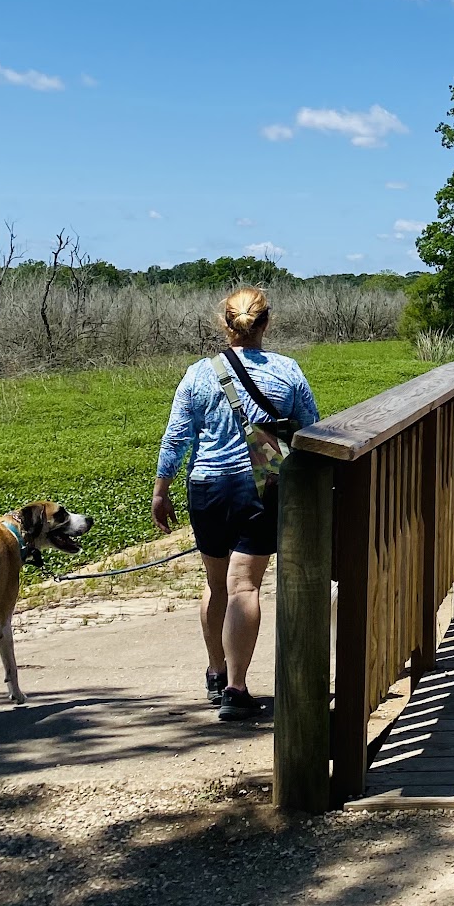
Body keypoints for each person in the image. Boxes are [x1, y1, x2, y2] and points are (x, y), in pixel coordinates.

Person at [152, 286, 318, 722]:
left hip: (206, 487)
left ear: (225, 324)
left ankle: (215, 670)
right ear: (266, 323)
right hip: (258, 485)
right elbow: (312, 428)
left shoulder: (198, 374)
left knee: (215, 583)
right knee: (244, 585)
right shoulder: (286, 371)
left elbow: (176, 437)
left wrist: (161, 489)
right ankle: (236, 689)